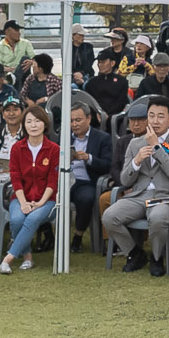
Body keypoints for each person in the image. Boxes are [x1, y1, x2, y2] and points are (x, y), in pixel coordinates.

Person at [107, 100, 169, 276]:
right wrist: (136, 161)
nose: (155, 121)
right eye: (151, 116)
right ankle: (135, 253)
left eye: (160, 116)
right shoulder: (135, 143)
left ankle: (156, 257)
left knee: (158, 218)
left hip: (165, 196)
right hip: (139, 194)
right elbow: (124, 179)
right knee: (109, 216)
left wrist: (156, 147)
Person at [0, 105, 62, 274]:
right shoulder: (17, 148)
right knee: (17, 219)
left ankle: (7, 259)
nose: (33, 125)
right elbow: (15, 178)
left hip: (48, 200)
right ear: (24, 125)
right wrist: (23, 202)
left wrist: (40, 203)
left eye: (37, 121)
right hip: (20, 197)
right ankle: (27, 257)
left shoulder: (54, 149)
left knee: (32, 218)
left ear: (45, 124)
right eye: (29, 121)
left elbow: (53, 181)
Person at [62, 102, 115, 249]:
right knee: (43, 193)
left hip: (87, 181)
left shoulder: (102, 138)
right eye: (71, 121)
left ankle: (78, 236)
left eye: (78, 120)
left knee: (85, 198)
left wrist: (88, 158)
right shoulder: (64, 137)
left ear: (89, 119)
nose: (74, 124)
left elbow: (108, 165)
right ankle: (48, 235)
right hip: (64, 179)